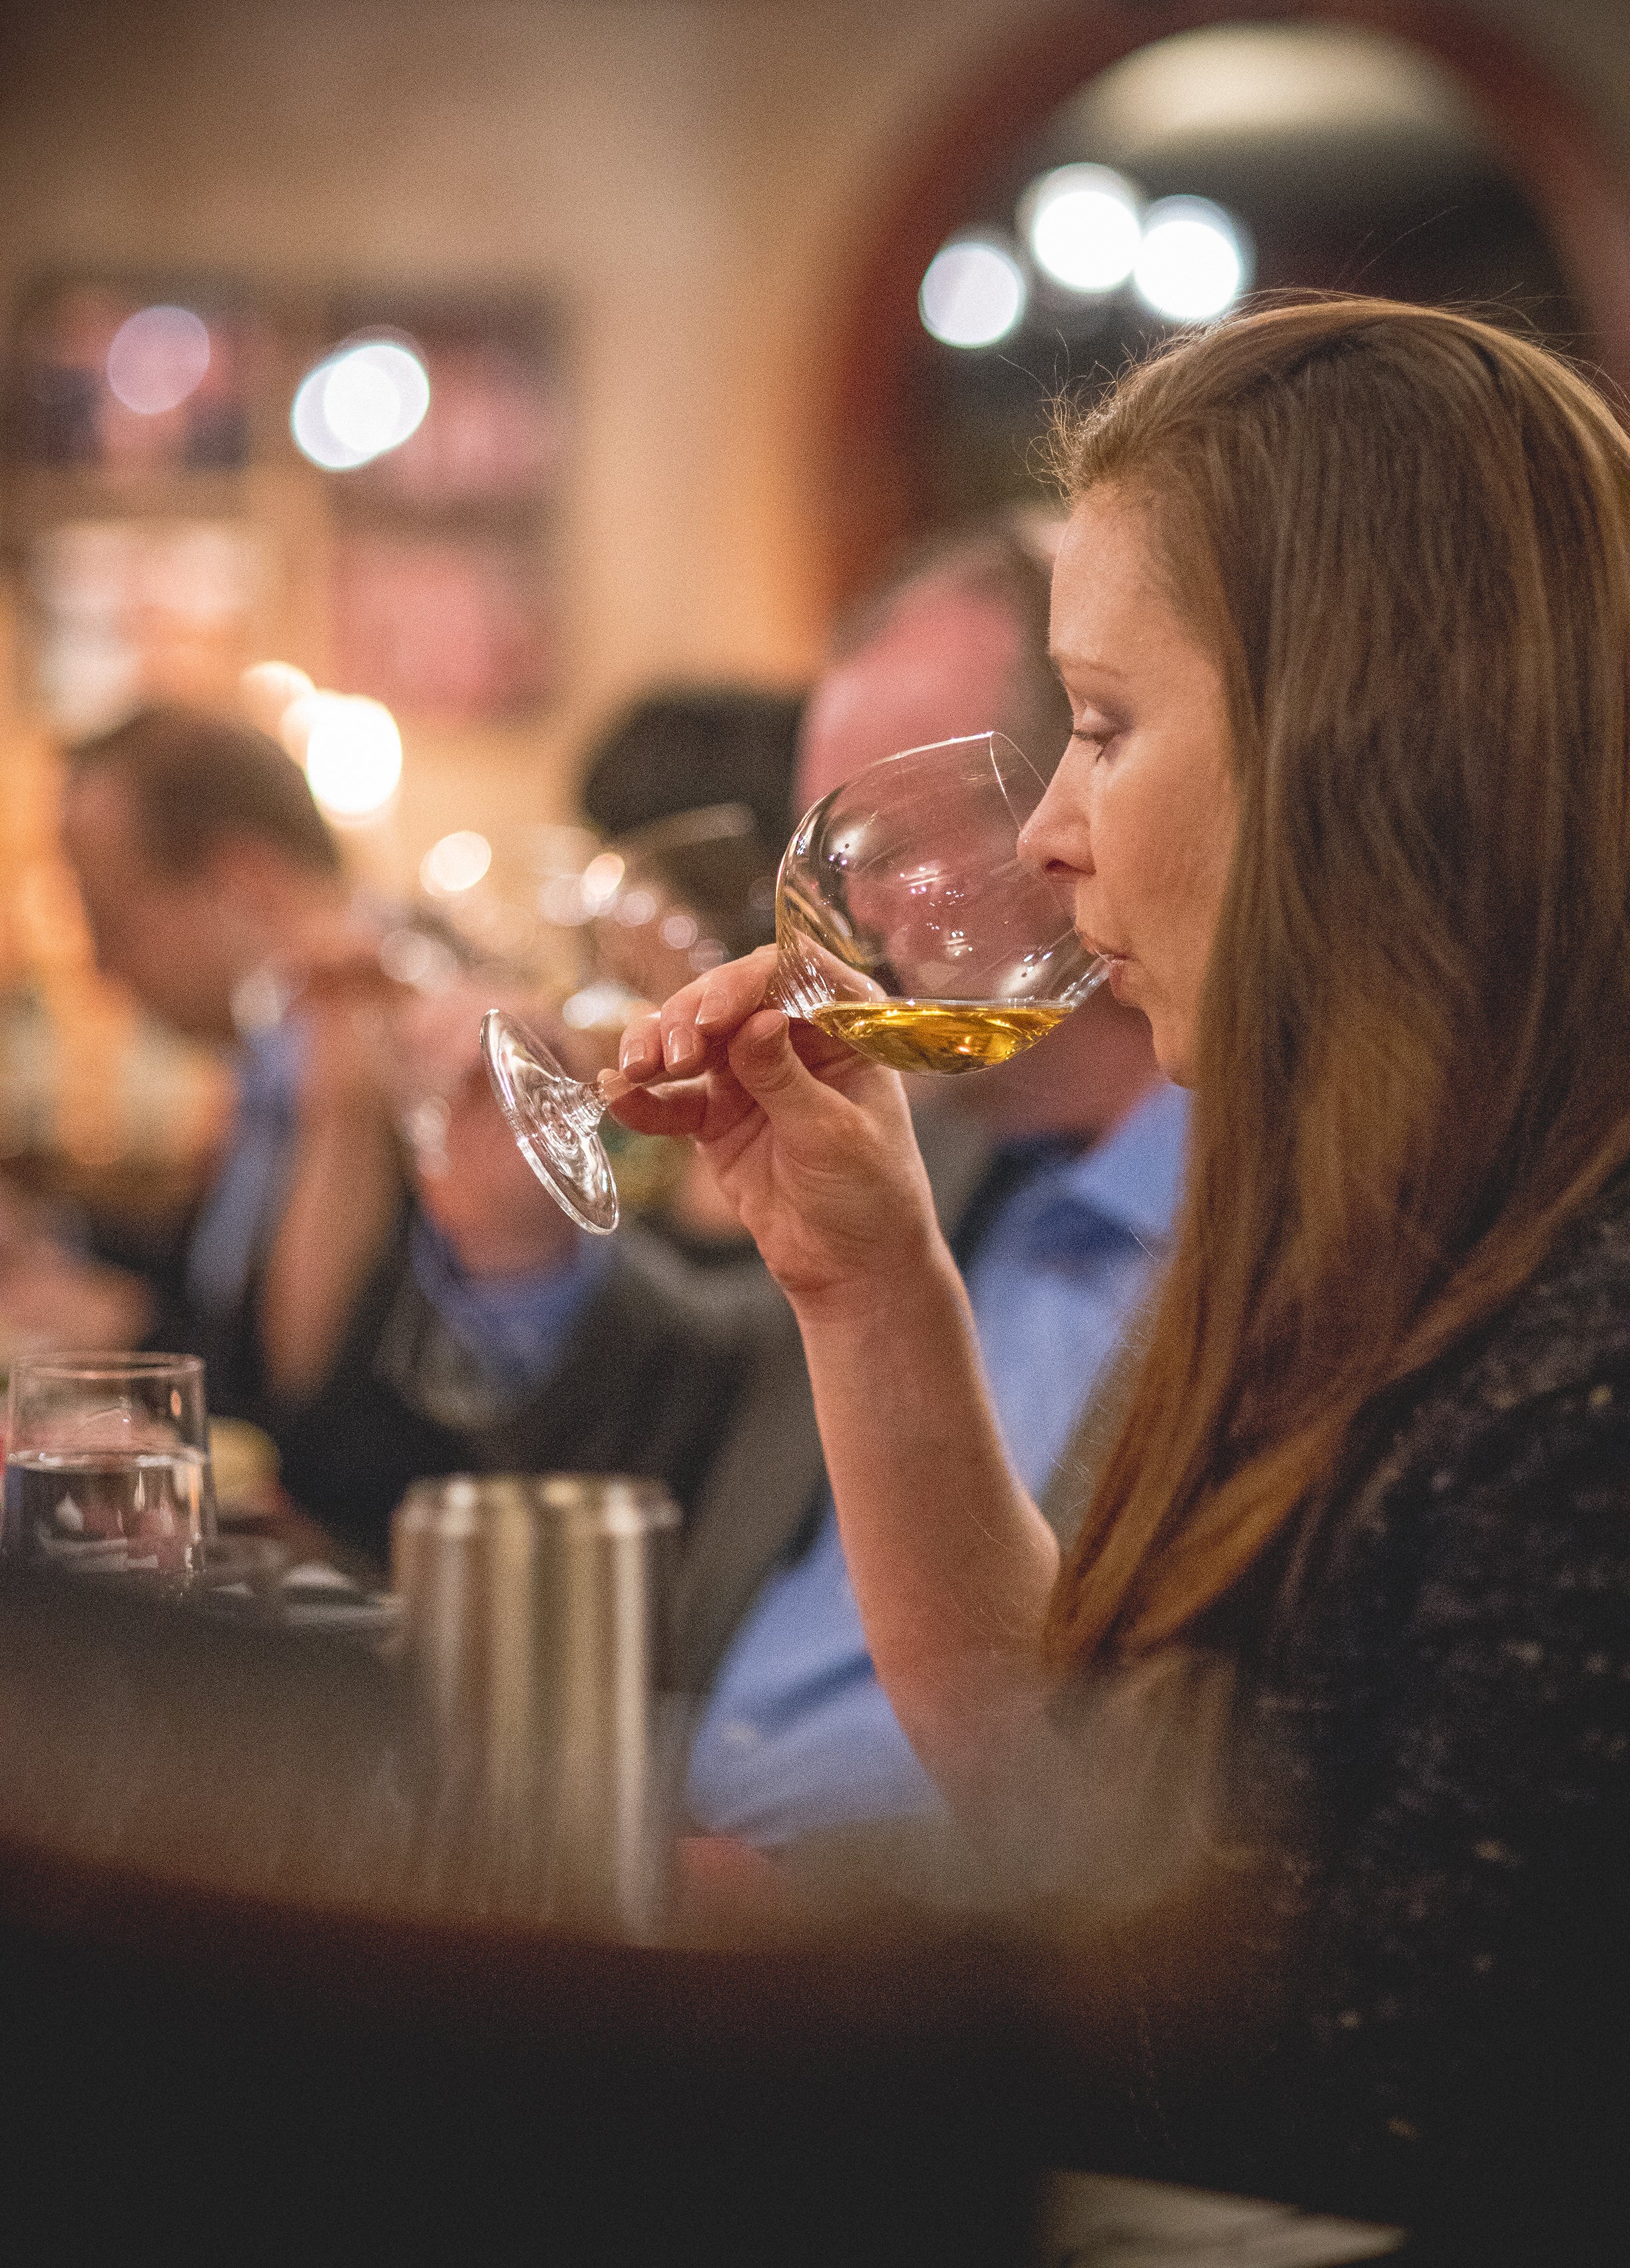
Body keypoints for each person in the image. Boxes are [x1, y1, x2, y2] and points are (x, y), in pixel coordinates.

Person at [602, 301, 1630, 2258]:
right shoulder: (1359, 1219)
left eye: (1102, 725)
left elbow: (1368, 2130)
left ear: (1366, 732)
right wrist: (868, 1279)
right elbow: (1080, 1813)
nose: (1052, 836)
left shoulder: (1585, 1357)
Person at [392, 517, 1180, 1843]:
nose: (844, 912)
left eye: (895, 842)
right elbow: (725, 1397)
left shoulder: (1289, 1224)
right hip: (679, 1865)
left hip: (919, 1980)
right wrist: (521, 1247)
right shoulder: (951, 1147)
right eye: (829, 844)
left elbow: (1102, 1798)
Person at [58, 706, 425, 1473]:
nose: (99, 964)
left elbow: (317, 1414)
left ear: (242, 883)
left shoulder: (427, 1032)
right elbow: (228, 1310)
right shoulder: (269, 1050)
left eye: (110, 916)